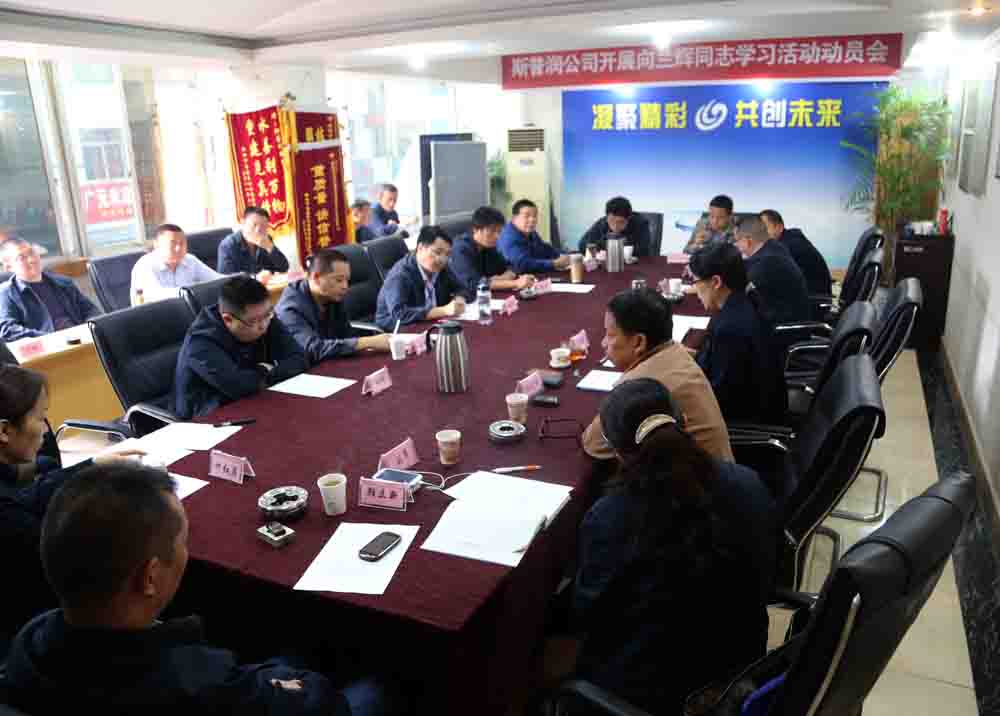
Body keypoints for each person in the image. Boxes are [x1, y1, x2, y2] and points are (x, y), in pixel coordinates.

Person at [4, 462, 395, 715]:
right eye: (183, 540)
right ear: (150, 577)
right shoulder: (200, 684)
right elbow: (318, 703)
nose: (186, 552)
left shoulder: (30, 641)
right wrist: (297, 684)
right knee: (380, 684)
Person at [559, 378, 776, 713]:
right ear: (684, 422)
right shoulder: (748, 482)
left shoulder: (610, 516)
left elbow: (589, 616)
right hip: (739, 672)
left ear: (617, 452)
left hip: (651, 693)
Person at [0, 365, 141, 652]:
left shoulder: (10, 479)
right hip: (33, 632)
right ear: (4, 430)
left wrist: (94, 465)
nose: (46, 430)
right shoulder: (9, 517)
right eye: (40, 418)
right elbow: (67, 557)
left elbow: (30, 494)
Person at [581, 288, 733, 462]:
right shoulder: (675, 350)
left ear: (639, 342)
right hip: (722, 471)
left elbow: (593, 445)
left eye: (610, 335)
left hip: (696, 478)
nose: (603, 343)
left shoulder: (640, 385)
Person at [172, 274, 306, 419]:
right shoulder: (200, 342)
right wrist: (268, 370)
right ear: (228, 319)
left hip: (256, 403)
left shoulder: (262, 316)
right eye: (254, 321)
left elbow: (300, 359)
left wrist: (265, 376)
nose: (263, 326)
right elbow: (241, 387)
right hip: (209, 418)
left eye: (268, 315)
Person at [689, 244, 787, 424]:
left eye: (696, 282)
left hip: (744, 425)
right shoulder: (743, 301)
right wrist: (691, 356)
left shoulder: (730, 328)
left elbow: (719, 399)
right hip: (754, 403)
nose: (695, 292)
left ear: (716, 282)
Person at [276, 248, 391, 363]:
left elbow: (347, 336)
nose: (345, 286)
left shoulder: (331, 296)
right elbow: (313, 349)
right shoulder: (290, 309)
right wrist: (369, 342)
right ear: (316, 278)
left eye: (347, 280)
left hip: (333, 361)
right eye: (339, 280)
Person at [0, 238, 100, 342]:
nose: (31, 259)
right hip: (47, 346)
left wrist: (89, 329)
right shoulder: (6, 293)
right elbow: (7, 330)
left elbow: (91, 310)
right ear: (8, 267)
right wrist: (48, 338)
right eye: (22, 258)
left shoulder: (63, 282)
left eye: (32, 252)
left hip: (81, 339)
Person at [374, 226, 471, 331]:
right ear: (420, 248)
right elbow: (399, 314)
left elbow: (462, 288)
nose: (443, 259)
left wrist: (459, 299)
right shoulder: (400, 274)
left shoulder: (440, 267)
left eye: (447, 254)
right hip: (399, 328)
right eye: (437, 252)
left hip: (431, 322)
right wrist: (443, 311)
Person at [734, 216, 811, 327]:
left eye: (737, 240)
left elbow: (739, 290)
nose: (736, 245)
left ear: (748, 241)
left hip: (782, 328)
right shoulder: (774, 247)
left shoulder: (767, 261)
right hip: (783, 317)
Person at [450, 206, 535, 295]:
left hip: (486, 295)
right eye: (492, 231)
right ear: (476, 229)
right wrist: (515, 283)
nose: (497, 236)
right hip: (461, 299)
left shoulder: (488, 246)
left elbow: (511, 266)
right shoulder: (460, 249)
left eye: (499, 231)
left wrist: (504, 277)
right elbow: (474, 284)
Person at [130, 223, 221, 305]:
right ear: (156, 245)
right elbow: (155, 295)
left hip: (187, 311)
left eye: (182, 243)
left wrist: (228, 281)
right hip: (156, 314)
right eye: (173, 243)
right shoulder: (144, 265)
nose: (178, 248)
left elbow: (216, 279)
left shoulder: (190, 260)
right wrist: (188, 292)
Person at [760, 209, 832, 297]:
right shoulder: (788, 240)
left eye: (765, 228)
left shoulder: (791, 245)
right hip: (810, 296)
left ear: (779, 227)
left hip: (814, 299)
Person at [498, 199, 571, 274]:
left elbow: (544, 248)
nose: (532, 220)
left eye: (535, 216)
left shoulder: (530, 232)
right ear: (514, 218)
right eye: (527, 216)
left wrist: (564, 256)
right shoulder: (508, 237)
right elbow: (522, 264)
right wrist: (554, 263)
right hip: (511, 278)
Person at [217, 207, 290, 280]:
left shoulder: (266, 240)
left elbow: (284, 268)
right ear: (243, 223)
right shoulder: (228, 245)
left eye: (263, 226)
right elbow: (226, 279)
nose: (258, 230)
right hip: (242, 287)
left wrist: (270, 247)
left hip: (266, 286)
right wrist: (255, 277)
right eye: (254, 225)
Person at [577, 196, 652, 257]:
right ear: (607, 216)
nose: (615, 227)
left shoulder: (641, 223)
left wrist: (623, 243)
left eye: (620, 222)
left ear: (629, 218)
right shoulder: (603, 222)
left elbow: (644, 250)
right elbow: (582, 245)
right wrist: (604, 243)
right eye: (611, 221)